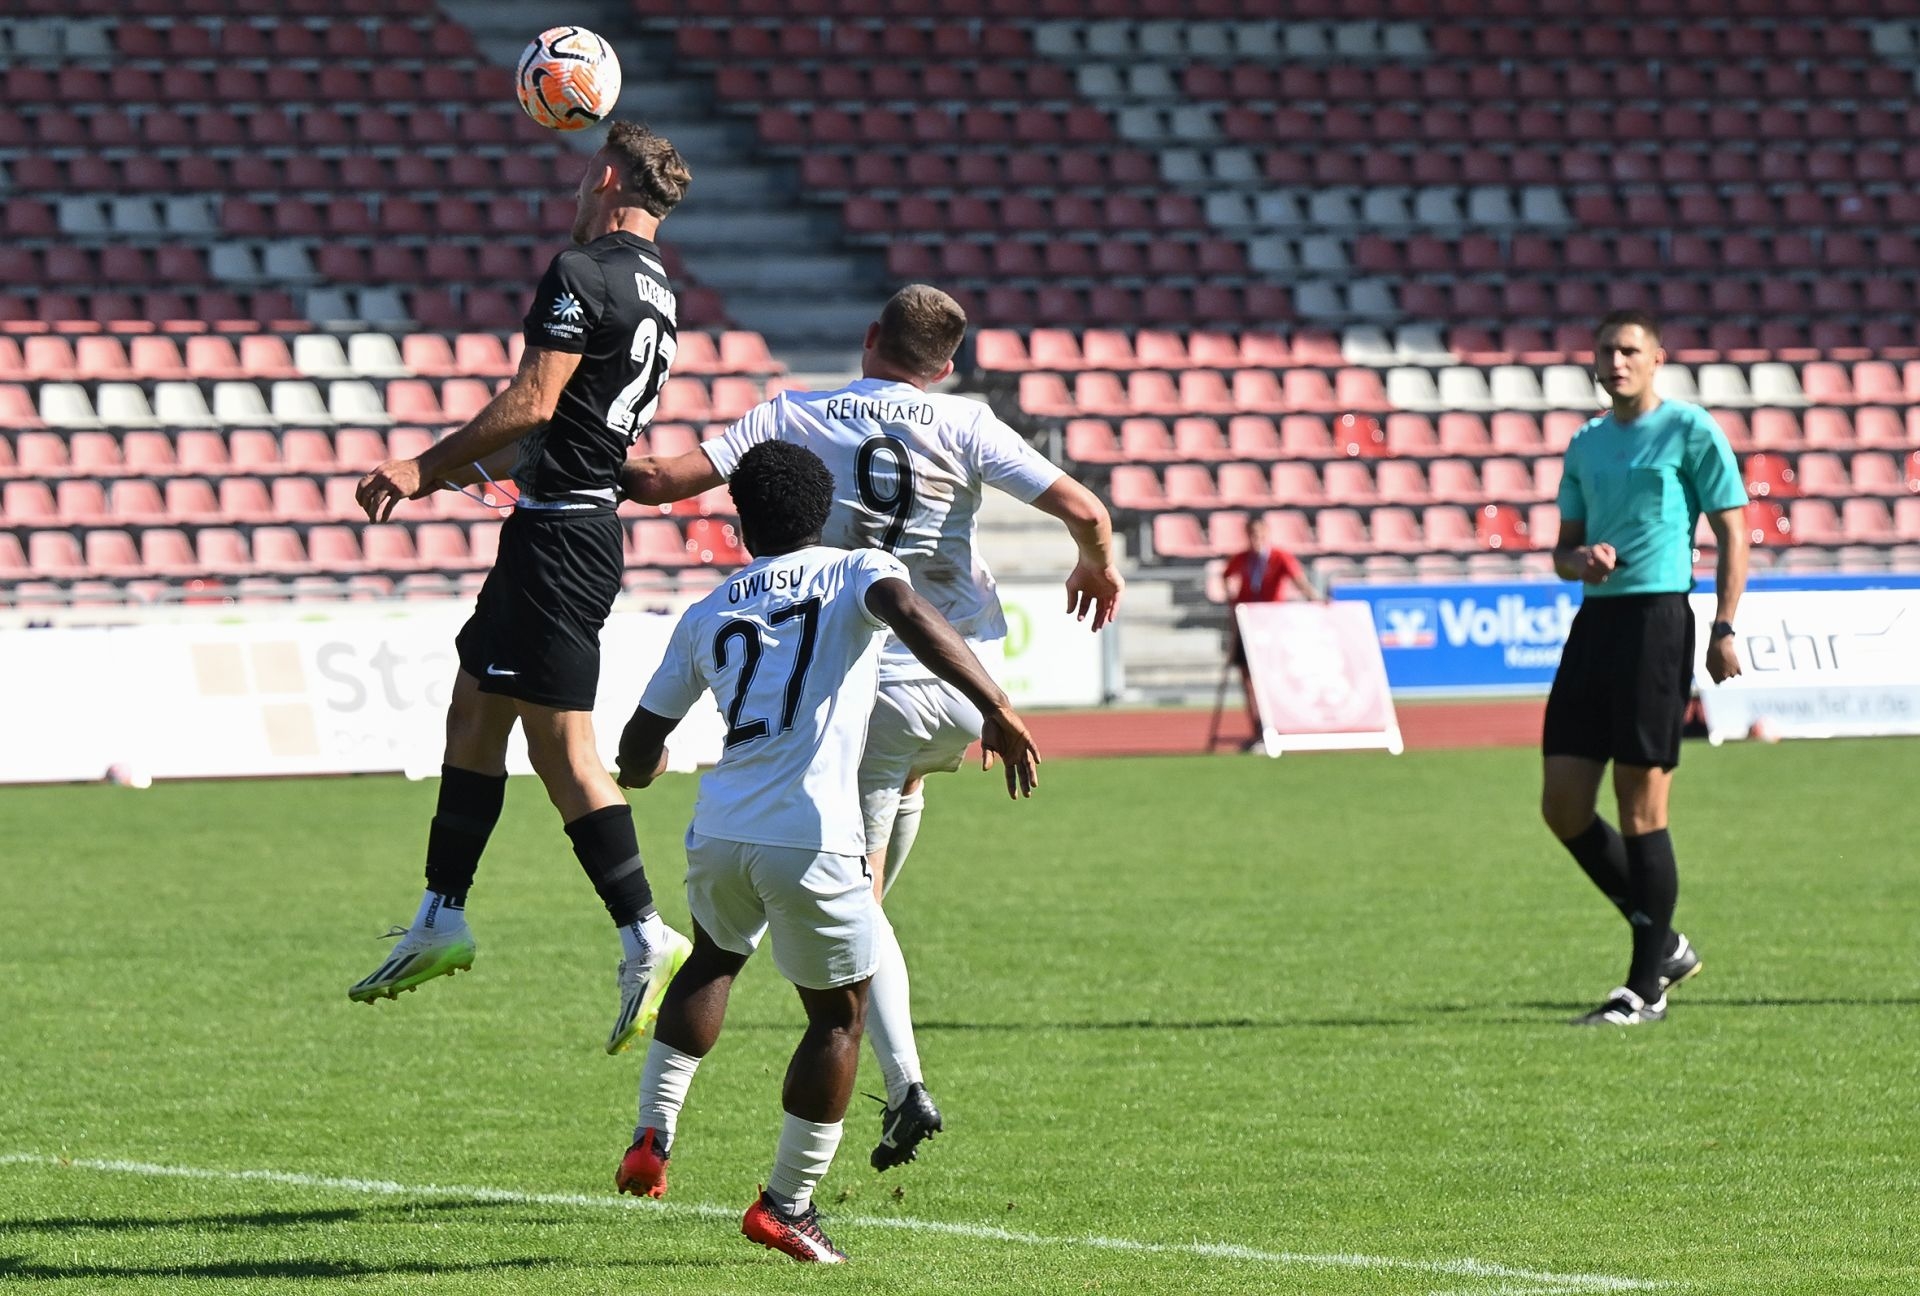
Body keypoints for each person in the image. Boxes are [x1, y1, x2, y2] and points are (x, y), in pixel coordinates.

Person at [618, 284, 1121, 1169]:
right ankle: (903, 1085)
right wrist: (1097, 564)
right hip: (956, 686)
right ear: (946, 364)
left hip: (872, 683)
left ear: (869, 338)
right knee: (872, 869)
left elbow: (662, 483)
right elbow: (1086, 509)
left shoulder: (793, 414)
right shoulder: (964, 421)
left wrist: (570, 444)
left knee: (847, 898)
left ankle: (907, 1086)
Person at [609, 441, 1039, 1263]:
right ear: (825, 510)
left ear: (741, 524)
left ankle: (651, 1136)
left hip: (723, 827)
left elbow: (637, 747)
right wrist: (997, 704)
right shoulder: (856, 569)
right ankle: (787, 1205)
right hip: (809, 834)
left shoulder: (707, 609)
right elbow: (912, 615)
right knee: (837, 1019)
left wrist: (646, 767)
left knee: (711, 962)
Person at [347, 122, 695, 1056]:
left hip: (562, 540)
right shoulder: (660, 291)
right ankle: (439, 915)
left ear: (610, 174)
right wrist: (488, 464)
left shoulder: (580, 271)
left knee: (563, 754)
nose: (578, 188)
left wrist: (424, 467)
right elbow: (566, 421)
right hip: (553, 526)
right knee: (474, 712)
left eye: (587, 171)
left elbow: (537, 398)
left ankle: (646, 935)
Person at [1542, 309, 1749, 1027]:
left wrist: (1724, 626)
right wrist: (1583, 561)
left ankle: (1644, 991)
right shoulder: (1585, 443)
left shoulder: (1691, 429)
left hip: (1659, 622)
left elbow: (1732, 527)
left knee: (1641, 808)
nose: (1617, 361)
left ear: (1657, 358)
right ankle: (1666, 943)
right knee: (1562, 804)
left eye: (1630, 349)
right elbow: (1561, 550)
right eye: (1606, 350)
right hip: (1595, 623)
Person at [1221, 516, 1324, 750]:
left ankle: (1281, 723)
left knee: (1276, 675)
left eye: (1260, 534)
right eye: (1252, 534)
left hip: (1272, 625)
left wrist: (1316, 600)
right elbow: (1227, 575)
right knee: (1248, 678)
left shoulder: (1279, 557)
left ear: (1267, 534)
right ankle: (1258, 727)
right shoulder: (1242, 559)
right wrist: (1232, 599)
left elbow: (1300, 582)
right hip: (1248, 624)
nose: (1256, 539)